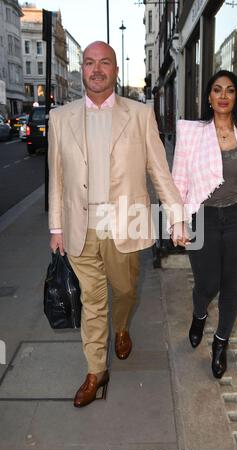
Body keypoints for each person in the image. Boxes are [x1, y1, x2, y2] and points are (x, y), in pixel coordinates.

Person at [48, 41, 188, 407]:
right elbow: (57, 179)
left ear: (115, 71)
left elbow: (159, 169)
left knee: (124, 291)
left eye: (104, 63)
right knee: (93, 302)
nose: (96, 69)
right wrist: (56, 228)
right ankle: (96, 369)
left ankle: (122, 326)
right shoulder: (60, 118)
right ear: (82, 69)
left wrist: (176, 216)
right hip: (80, 226)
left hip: (122, 222)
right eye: (90, 63)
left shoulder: (140, 115)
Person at [172, 70, 237, 379]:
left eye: (229, 90)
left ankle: (220, 343)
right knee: (207, 282)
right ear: (209, 97)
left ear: (236, 97)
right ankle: (200, 313)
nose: (223, 95)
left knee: (232, 282)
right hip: (202, 217)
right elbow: (178, 181)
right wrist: (177, 223)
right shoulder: (192, 133)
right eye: (217, 90)